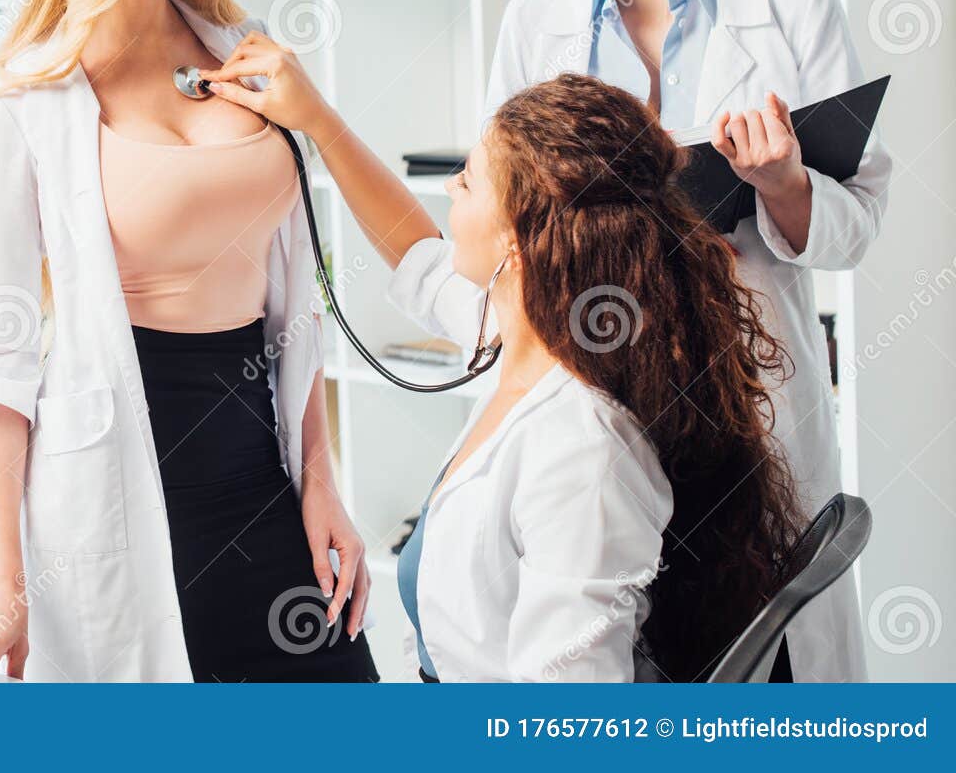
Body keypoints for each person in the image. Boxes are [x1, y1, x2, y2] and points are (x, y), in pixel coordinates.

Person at [0, 0, 376, 683]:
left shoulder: (242, 55)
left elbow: (297, 314)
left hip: (264, 478)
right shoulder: (24, 101)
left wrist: (322, 481)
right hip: (125, 493)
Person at [200, 57, 806, 681]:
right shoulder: (540, 334)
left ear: (517, 240)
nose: (448, 189)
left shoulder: (582, 450)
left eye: (465, 180)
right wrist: (319, 123)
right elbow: (415, 252)